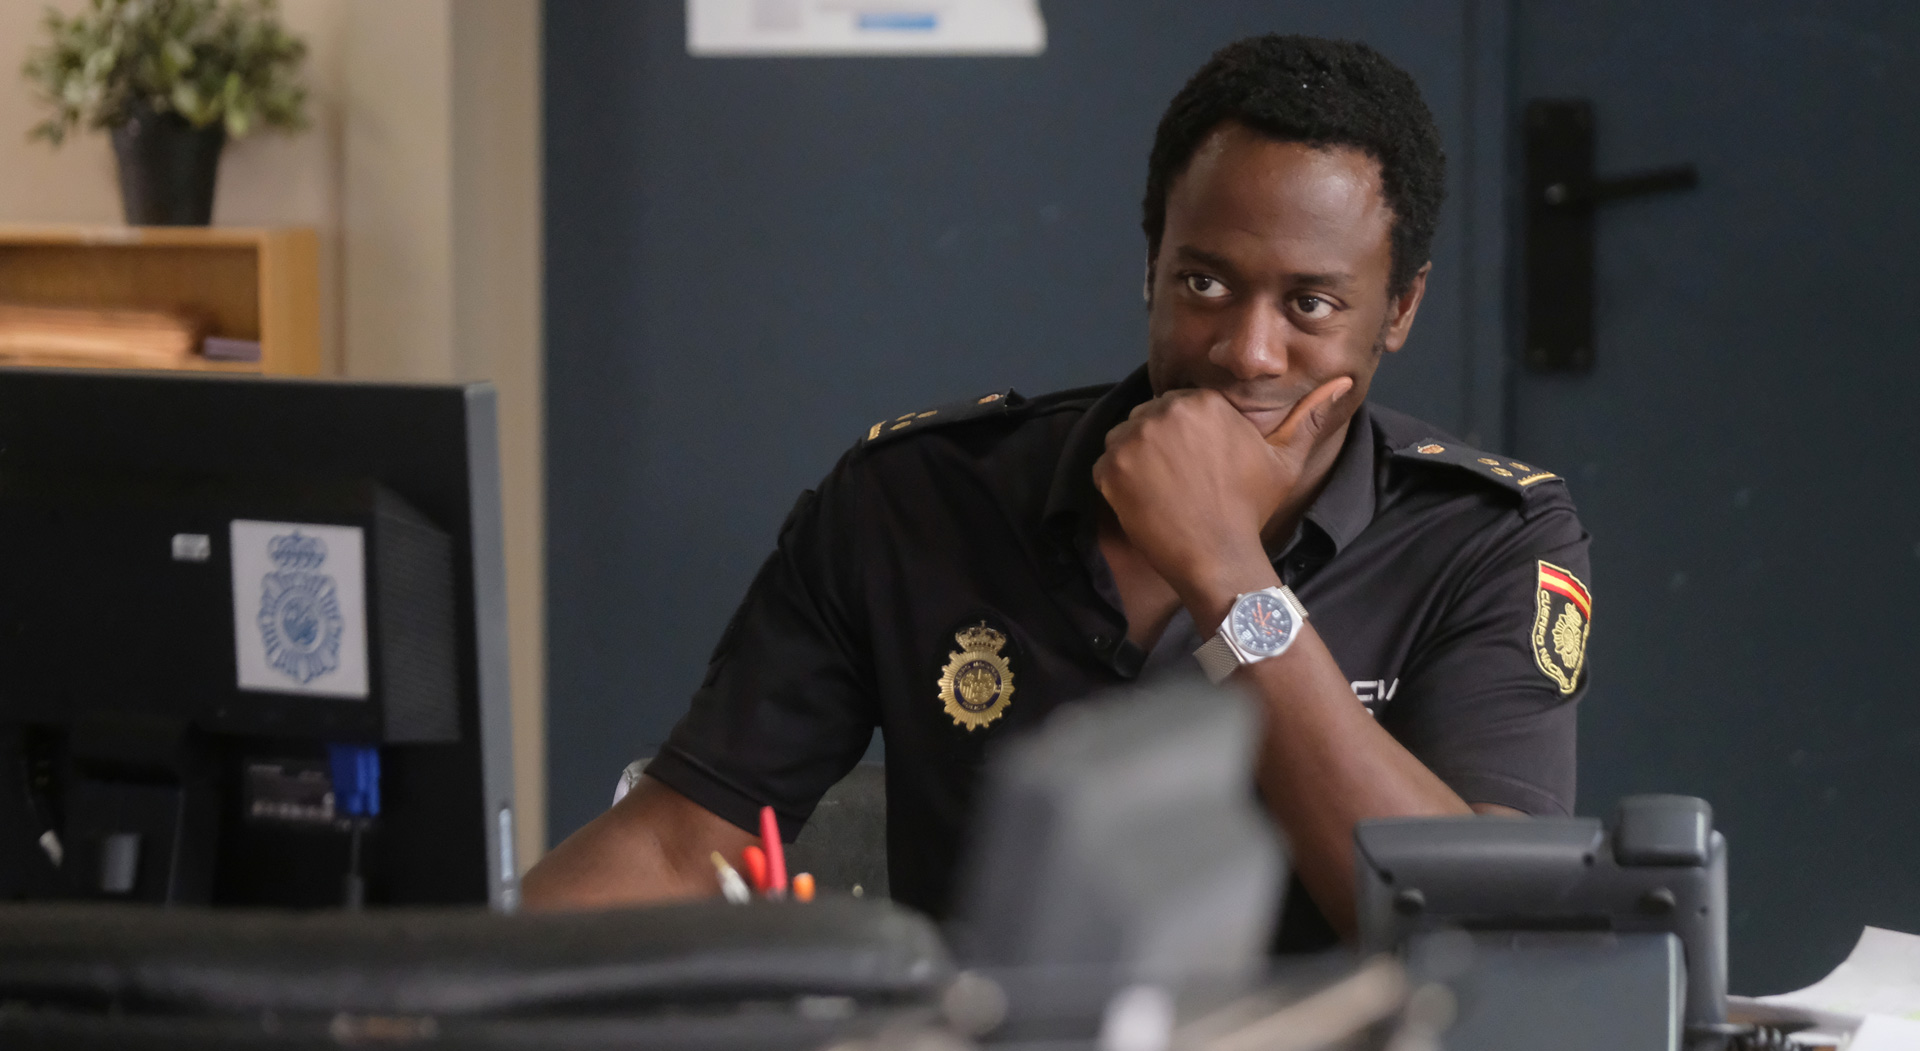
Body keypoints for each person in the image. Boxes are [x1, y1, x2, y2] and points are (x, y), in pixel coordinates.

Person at [522, 34, 1591, 947]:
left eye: (1310, 305)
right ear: (1151, 263)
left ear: (1399, 309)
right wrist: (451, 988)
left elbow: (1479, 930)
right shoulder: (917, 501)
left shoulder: (1484, 539)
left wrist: (1228, 575)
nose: (1247, 350)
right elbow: (680, 846)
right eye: (1204, 282)